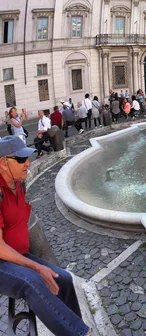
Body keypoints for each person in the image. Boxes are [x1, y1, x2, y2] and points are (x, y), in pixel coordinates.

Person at [0, 136, 91, 336]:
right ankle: (80, 333)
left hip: (20, 256)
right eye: (21, 160)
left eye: (27, 158)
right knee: (32, 281)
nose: (28, 163)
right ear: (3, 163)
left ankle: (73, 326)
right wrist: (36, 265)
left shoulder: (19, 184)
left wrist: (37, 261)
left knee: (64, 278)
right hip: (2, 263)